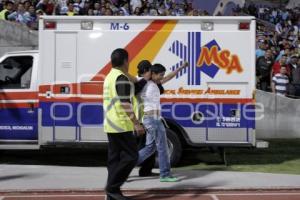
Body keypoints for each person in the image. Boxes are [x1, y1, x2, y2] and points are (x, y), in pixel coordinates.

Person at [103, 48, 145, 200]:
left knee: (114, 159)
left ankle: (113, 193)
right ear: (126, 61)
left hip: (110, 124)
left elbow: (133, 80)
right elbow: (125, 102)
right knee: (132, 157)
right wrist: (136, 123)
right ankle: (112, 187)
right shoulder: (121, 78)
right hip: (121, 125)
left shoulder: (110, 76)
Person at [137, 62, 188, 182]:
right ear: (152, 74)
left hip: (153, 119)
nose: (162, 77)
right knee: (163, 147)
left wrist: (181, 67)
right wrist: (147, 74)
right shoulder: (144, 83)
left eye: (162, 75)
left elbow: (169, 77)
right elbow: (136, 77)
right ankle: (165, 174)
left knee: (150, 148)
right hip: (152, 119)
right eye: (160, 75)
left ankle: (123, 165)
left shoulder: (155, 83)